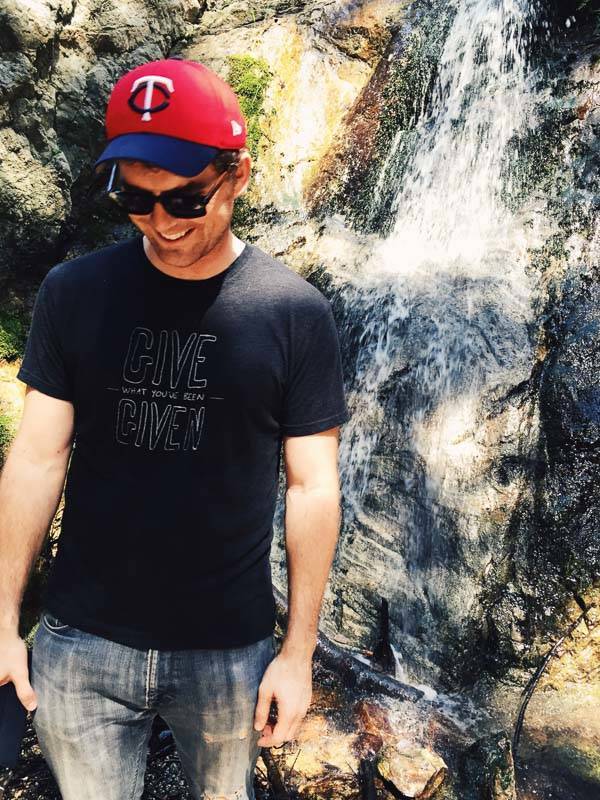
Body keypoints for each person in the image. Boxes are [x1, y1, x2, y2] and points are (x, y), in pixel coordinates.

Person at [0, 58, 350, 800]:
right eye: (134, 196)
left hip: (229, 652)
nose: (160, 222)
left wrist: (298, 653)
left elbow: (313, 487)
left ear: (239, 175)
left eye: (187, 200)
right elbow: (36, 458)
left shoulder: (294, 313)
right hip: (80, 643)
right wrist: (3, 619)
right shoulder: (74, 292)